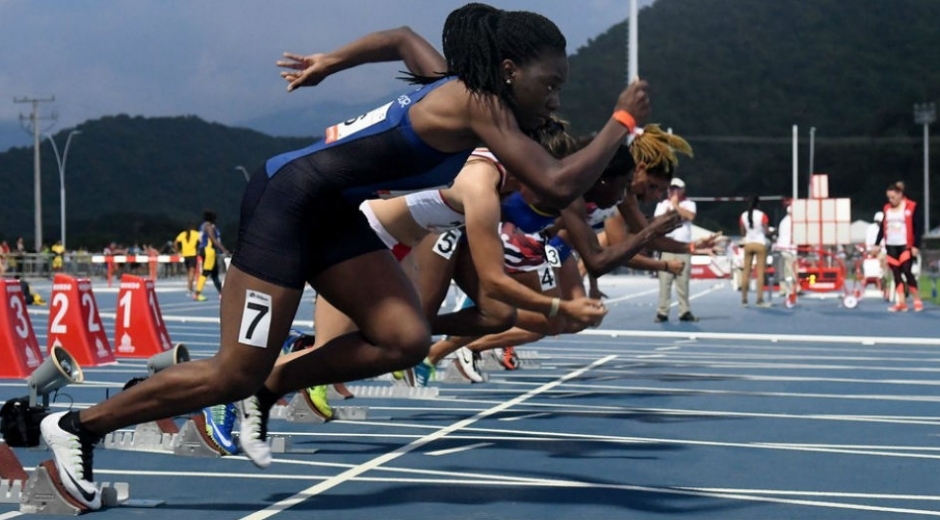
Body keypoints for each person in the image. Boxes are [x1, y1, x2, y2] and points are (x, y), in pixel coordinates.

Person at [39, 7, 652, 510]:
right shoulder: (478, 105)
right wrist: (621, 121)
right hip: (286, 204)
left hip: (332, 212)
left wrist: (331, 61)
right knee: (233, 370)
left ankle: (269, 388)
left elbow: (403, 39)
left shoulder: (459, 88)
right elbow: (555, 183)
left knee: (404, 337)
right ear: (510, 70)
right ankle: (77, 427)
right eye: (550, 85)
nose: (553, 101)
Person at [873, 181, 924, 312]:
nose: (891, 200)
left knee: (907, 271)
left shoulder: (911, 207)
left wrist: (916, 245)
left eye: (893, 197)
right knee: (896, 274)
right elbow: (882, 229)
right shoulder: (887, 209)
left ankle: (917, 300)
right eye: (889, 198)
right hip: (891, 245)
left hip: (905, 245)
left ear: (900, 195)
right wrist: (877, 244)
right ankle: (901, 302)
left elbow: (918, 228)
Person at [653, 177, 697, 322]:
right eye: (671, 188)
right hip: (666, 246)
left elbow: (689, 216)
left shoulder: (689, 204)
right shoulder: (662, 204)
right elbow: (656, 221)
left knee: (683, 281)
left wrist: (676, 206)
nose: (673, 191)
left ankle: (684, 310)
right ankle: (662, 311)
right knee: (664, 282)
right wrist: (671, 209)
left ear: (682, 190)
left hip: (683, 247)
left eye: (676, 188)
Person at [739, 195, 771, 307]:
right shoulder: (762, 215)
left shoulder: (743, 215)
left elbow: (742, 232)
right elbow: (766, 231)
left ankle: (744, 299)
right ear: (758, 204)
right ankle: (759, 299)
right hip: (760, 243)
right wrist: (772, 233)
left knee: (746, 272)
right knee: (760, 273)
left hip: (748, 243)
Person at [193, 211, 229, 302]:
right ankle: (197, 294)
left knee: (214, 274)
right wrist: (224, 250)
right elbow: (214, 240)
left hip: (206, 250)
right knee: (205, 272)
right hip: (209, 251)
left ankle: (222, 293)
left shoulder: (203, 226)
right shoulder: (209, 226)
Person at [773, 202, 798, 303]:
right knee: (791, 270)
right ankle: (791, 289)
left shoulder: (784, 221)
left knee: (783, 270)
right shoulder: (792, 222)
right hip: (789, 248)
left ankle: (783, 288)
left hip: (782, 247)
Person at [174, 222, 202, 297]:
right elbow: (202, 242)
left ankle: (190, 288)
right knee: (192, 273)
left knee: (189, 273)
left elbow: (175, 242)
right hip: (193, 255)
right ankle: (189, 289)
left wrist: (178, 251)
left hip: (185, 255)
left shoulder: (183, 234)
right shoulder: (196, 234)